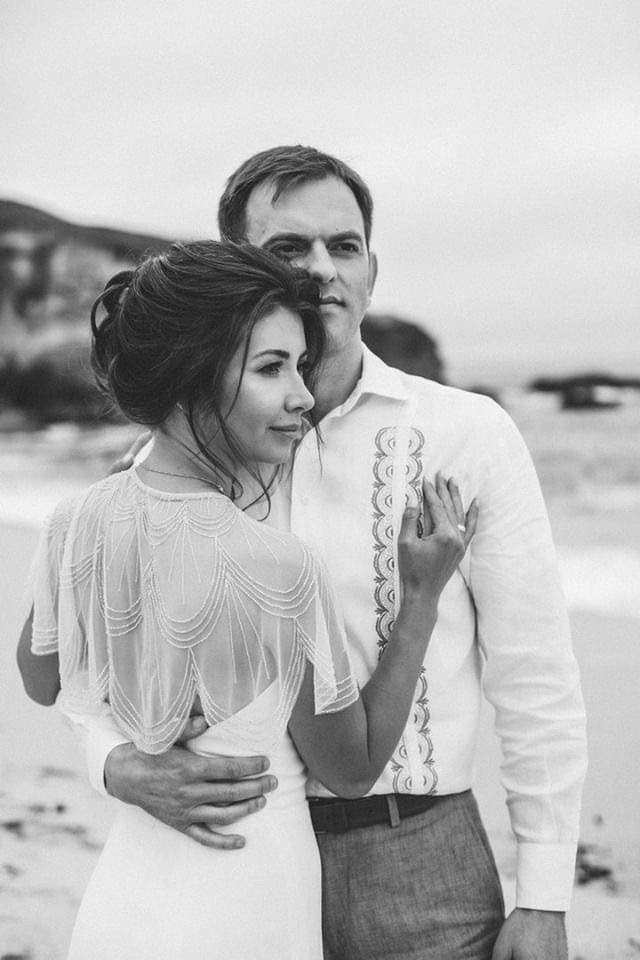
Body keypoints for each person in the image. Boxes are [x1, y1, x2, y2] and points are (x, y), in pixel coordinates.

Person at [20, 146, 587, 960]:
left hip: (413, 861)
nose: (322, 269)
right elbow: (84, 678)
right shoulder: (147, 475)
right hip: (225, 846)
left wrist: (544, 894)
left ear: (371, 264)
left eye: (345, 245)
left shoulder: (471, 435)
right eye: (289, 249)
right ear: (242, 269)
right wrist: (113, 764)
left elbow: (536, 675)